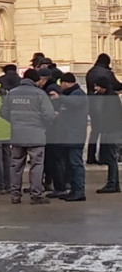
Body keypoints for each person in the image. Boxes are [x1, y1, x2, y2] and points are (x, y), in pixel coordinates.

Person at [0, 69, 55, 204]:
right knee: (36, 165)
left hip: (17, 134)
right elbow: (49, 115)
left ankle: (15, 195)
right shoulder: (40, 94)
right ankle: (36, 194)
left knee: (16, 165)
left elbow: (3, 112)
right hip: (36, 134)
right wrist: (42, 124)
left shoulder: (12, 93)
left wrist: (15, 122)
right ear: (35, 80)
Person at [57, 73, 88, 202]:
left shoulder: (78, 94)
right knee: (70, 164)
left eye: (62, 84)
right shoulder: (70, 95)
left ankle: (79, 191)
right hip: (68, 135)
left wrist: (59, 97)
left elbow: (74, 104)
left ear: (68, 83)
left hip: (75, 135)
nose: (61, 86)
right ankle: (73, 190)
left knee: (75, 163)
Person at [85, 53, 122, 164]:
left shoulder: (90, 72)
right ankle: (104, 157)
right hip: (104, 104)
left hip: (92, 103)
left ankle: (90, 156)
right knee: (107, 131)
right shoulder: (107, 73)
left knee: (95, 131)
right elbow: (116, 86)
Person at [38, 68, 66, 198]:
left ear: (43, 79)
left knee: (54, 159)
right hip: (57, 129)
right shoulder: (53, 88)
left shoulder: (50, 90)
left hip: (52, 130)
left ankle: (59, 187)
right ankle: (57, 185)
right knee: (56, 159)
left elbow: (51, 111)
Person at [92, 76, 122, 194]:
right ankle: (114, 184)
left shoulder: (109, 98)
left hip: (111, 131)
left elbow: (108, 116)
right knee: (111, 158)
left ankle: (112, 183)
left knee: (111, 158)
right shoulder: (110, 96)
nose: (95, 88)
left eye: (97, 86)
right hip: (112, 130)